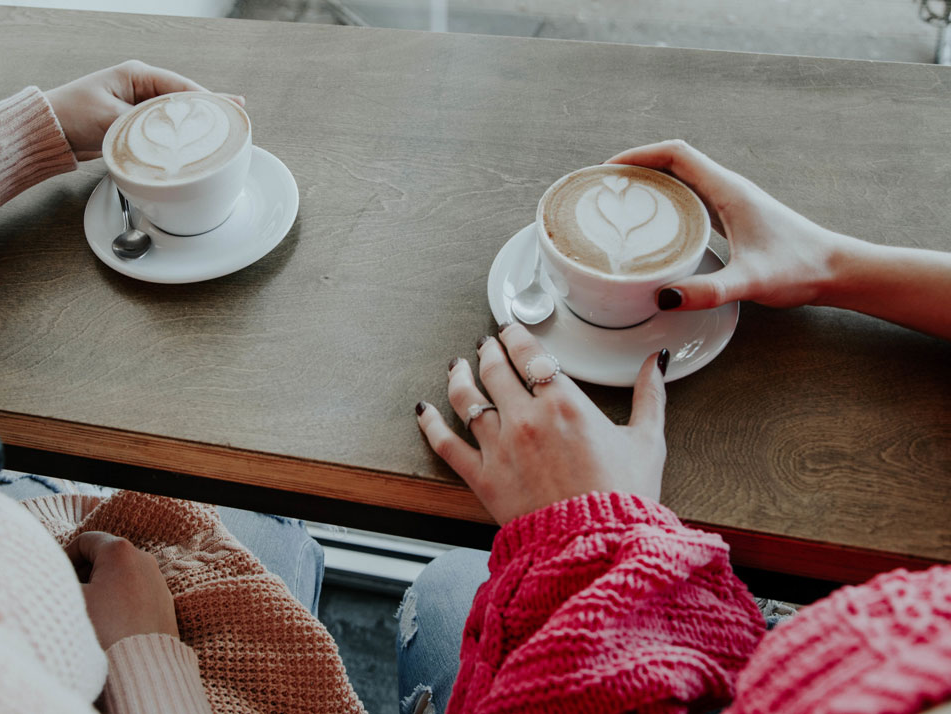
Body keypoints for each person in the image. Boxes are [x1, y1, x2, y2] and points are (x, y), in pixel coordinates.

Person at [403, 140, 951, 714]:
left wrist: (589, 542)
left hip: (710, 661)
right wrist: (831, 265)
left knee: (443, 585)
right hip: (783, 652)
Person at [0, 62, 364, 714]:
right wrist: (140, 652)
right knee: (271, 522)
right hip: (124, 662)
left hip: (18, 540)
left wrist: (33, 131)